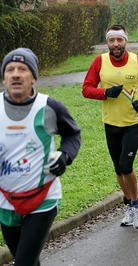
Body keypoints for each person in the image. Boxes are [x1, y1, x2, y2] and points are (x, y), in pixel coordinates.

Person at [0, 48, 81, 265]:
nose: (16, 74)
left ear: (33, 78)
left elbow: (73, 134)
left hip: (43, 199)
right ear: (4, 77)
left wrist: (65, 156)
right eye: (10, 70)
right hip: (5, 200)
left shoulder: (49, 107)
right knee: (26, 259)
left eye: (22, 69)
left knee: (24, 263)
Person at [82, 24, 138, 228]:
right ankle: (130, 205)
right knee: (117, 169)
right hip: (110, 123)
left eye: (119, 40)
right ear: (107, 42)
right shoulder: (100, 61)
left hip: (132, 123)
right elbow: (86, 89)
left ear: (126, 42)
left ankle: (136, 203)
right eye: (112, 40)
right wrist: (105, 93)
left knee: (125, 166)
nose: (116, 44)